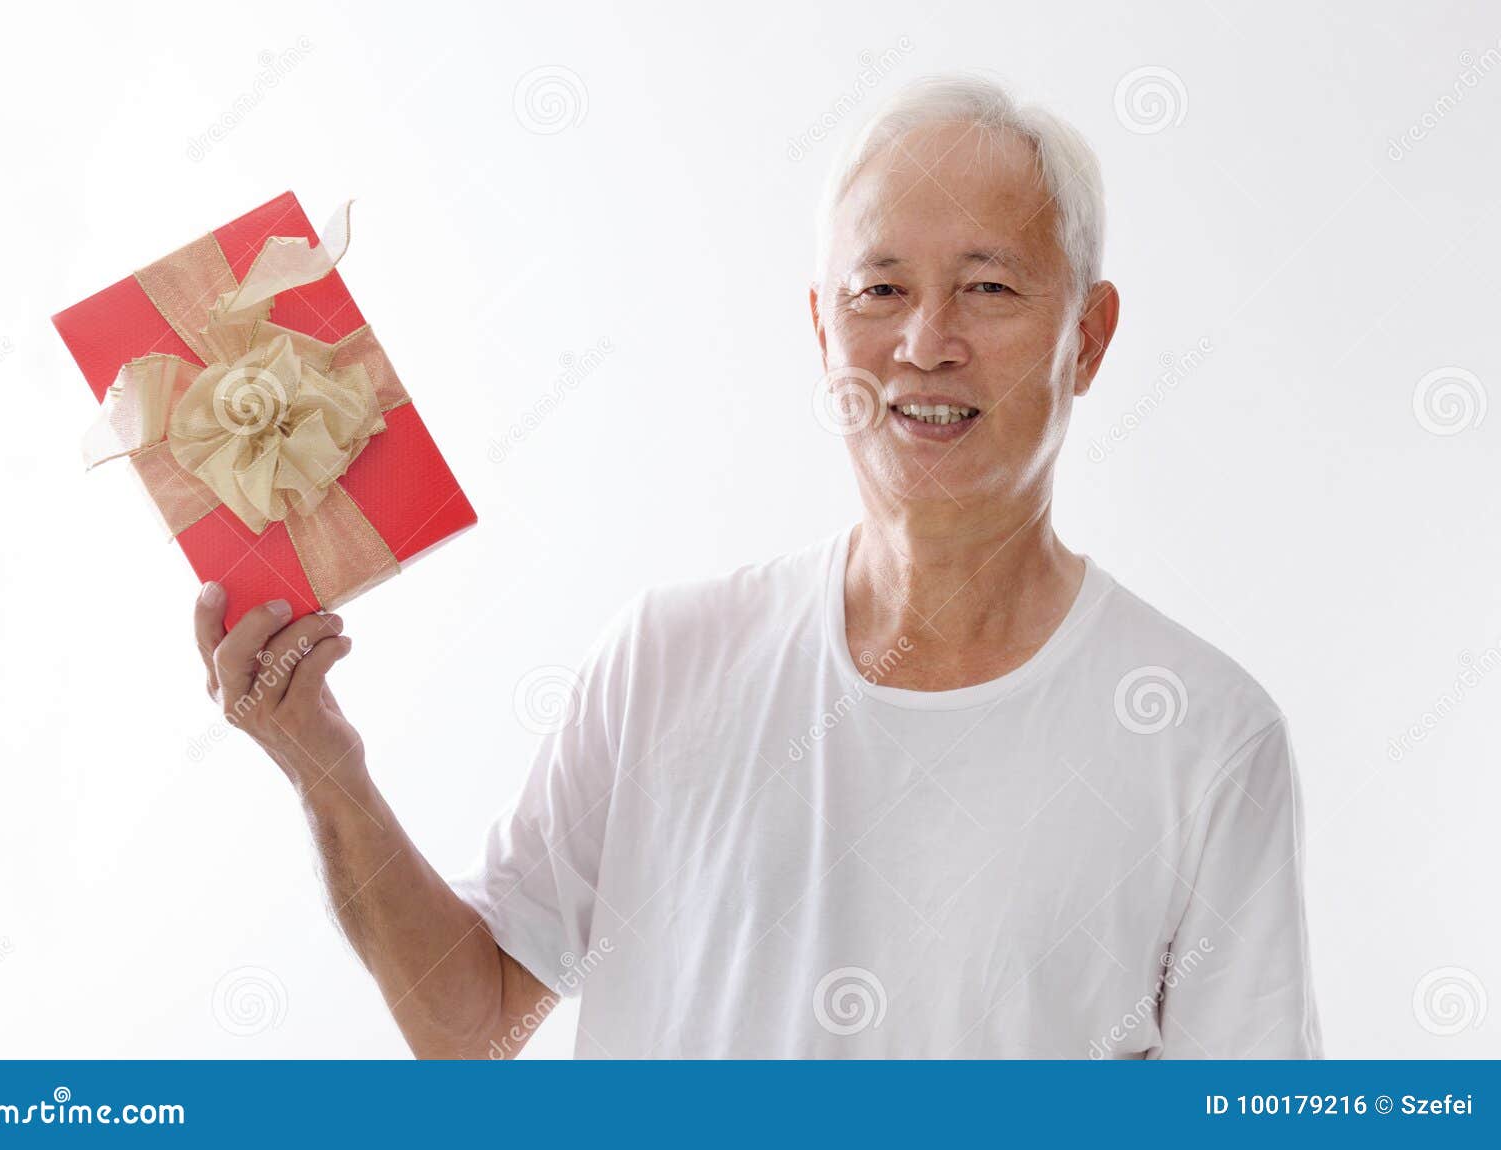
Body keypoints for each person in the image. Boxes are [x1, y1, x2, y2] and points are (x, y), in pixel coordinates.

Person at [191, 74, 1322, 1058]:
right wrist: (322, 765)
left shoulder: (1202, 738)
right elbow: (468, 1024)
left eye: (987, 286)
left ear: (1088, 334)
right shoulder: (664, 661)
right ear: (823, 332)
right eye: (879, 289)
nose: (925, 341)